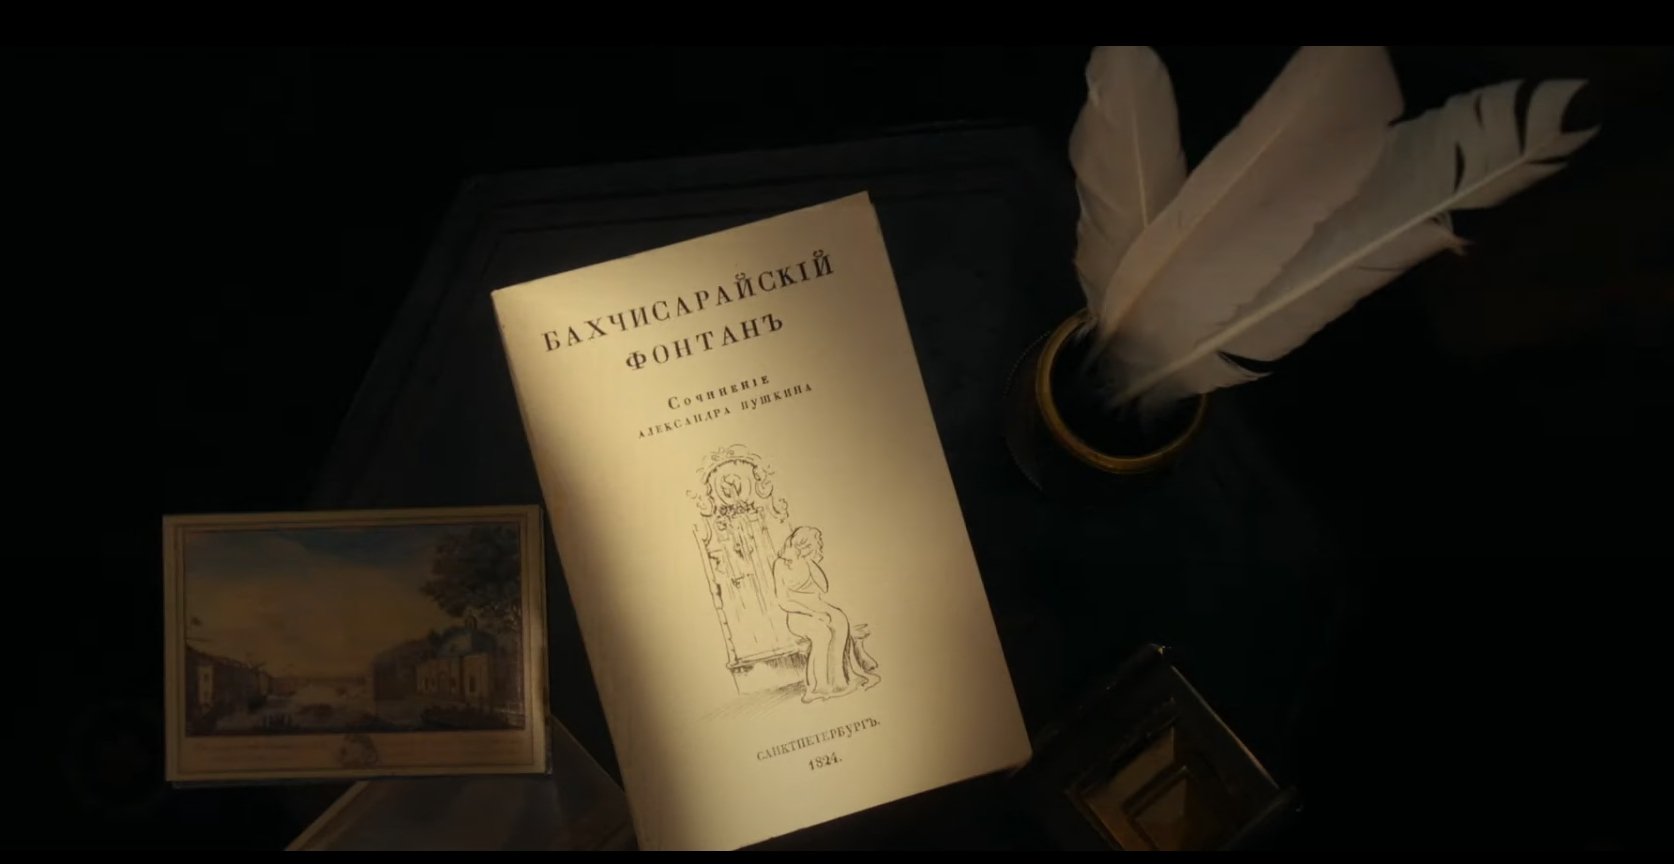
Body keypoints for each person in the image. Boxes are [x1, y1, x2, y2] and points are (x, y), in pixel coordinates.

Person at [771, 527, 879, 701]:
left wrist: (811, 563)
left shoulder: (807, 561)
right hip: (798, 613)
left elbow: (823, 587)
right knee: (822, 633)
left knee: (840, 621)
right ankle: (817, 686)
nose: (818, 547)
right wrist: (813, 613)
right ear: (804, 545)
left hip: (819, 607)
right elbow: (784, 602)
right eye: (815, 545)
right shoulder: (780, 564)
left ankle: (840, 680)